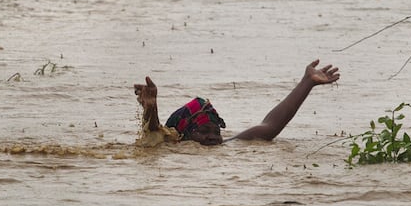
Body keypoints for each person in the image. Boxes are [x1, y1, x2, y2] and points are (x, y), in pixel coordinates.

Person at [134, 59, 340, 146]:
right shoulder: (174, 147)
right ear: (183, 135)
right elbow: (154, 136)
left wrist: (307, 82)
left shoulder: (229, 146)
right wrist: (151, 108)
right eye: (203, 131)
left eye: (216, 131)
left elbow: (270, 126)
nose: (212, 137)